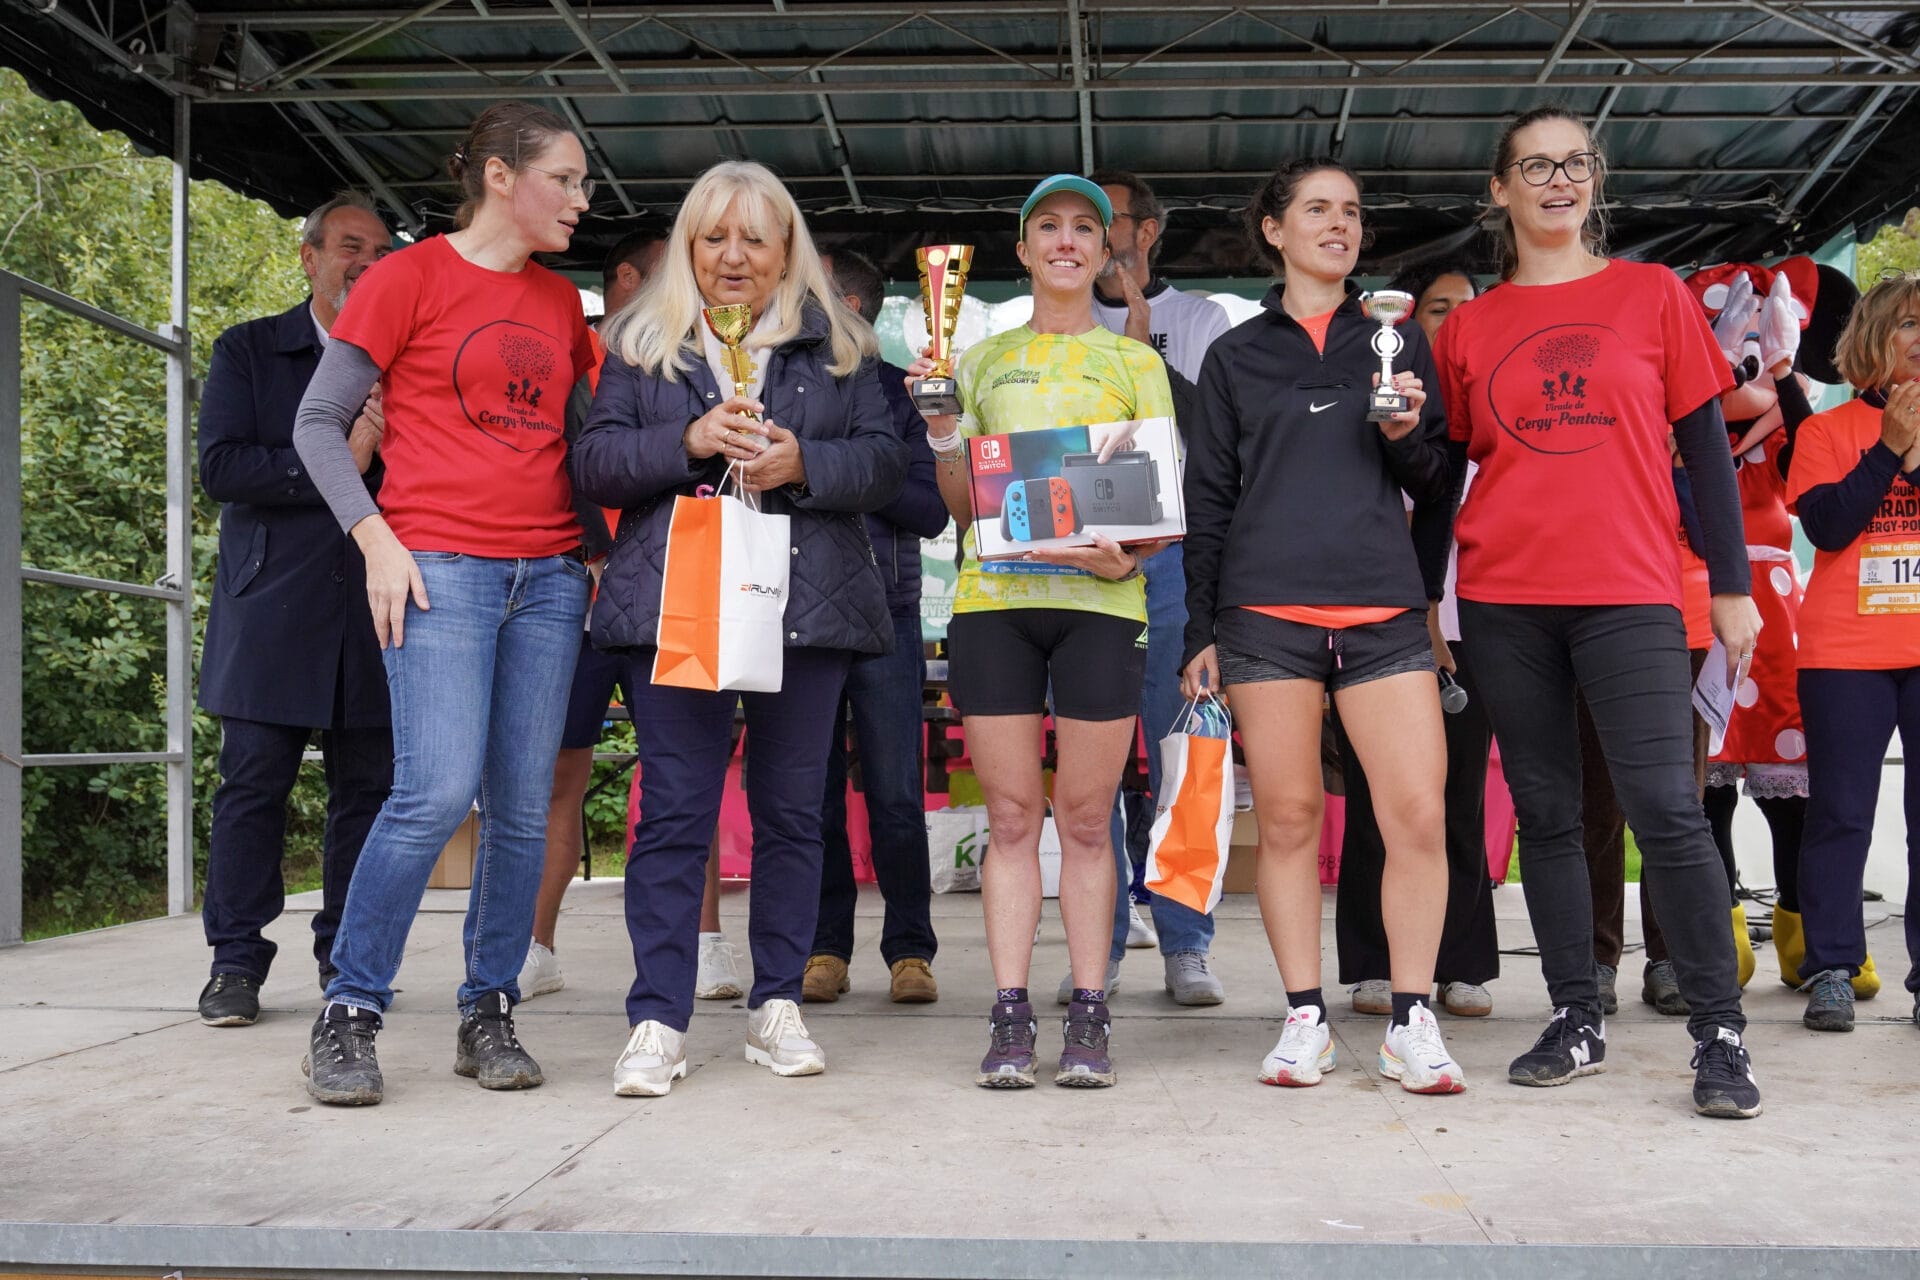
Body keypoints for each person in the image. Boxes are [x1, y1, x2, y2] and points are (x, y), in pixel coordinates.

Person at [1431, 105, 1764, 1118]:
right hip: (1503, 600)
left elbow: (1705, 449)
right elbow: (1443, 476)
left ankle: (1720, 1032)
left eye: (1575, 163)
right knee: (1547, 814)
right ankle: (1577, 1014)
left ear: (1595, 180)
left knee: (1666, 808)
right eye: (1535, 166)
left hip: (1631, 590)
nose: (1559, 181)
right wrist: (1421, 598)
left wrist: (1733, 585)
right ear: (1500, 190)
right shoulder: (1469, 327)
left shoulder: (1653, 294)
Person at [574, 160, 906, 1096]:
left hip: (807, 607)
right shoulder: (642, 343)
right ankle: (656, 1019)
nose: (732, 256)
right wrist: (686, 442)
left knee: (794, 814)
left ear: (787, 248)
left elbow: (886, 466)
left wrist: (805, 464)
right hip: (678, 599)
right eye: (713, 236)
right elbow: (593, 464)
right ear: (687, 246)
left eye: (754, 238)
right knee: (675, 813)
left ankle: (777, 1004)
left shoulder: (842, 345)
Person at [290, 102, 599, 1106]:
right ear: (503, 177)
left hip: (548, 576)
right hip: (439, 569)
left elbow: (587, 436)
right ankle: (350, 1009)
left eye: (584, 183)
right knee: (431, 793)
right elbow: (318, 423)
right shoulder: (406, 277)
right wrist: (375, 536)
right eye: (566, 179)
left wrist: (596, 549)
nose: (581, 200)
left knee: (520, 806)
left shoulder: (561, 301)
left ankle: (489, 1009)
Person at [1180, 158, 1464, 1095]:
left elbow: (1439, 481)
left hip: (1383, 612)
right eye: (1317, 210)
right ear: (1274, 229)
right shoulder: (1235, 356)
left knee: (1416, 814)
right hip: (1264, 617)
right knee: (1290, 817)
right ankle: (1305, 1015)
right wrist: (1198, 630)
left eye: (1351, 212)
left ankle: (1412, 1020)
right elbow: (1209, 500)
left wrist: (1405, 440)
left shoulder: (1396, 336)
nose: (1339, 225)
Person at [909, 174, 1173, 1090]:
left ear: (1105, 252)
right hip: (995, 607)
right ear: (1022, 251)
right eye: (1049, 227)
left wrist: (1129, 560)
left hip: (1102, 608)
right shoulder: (980, 361)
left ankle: (1090, 1010)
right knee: (1015, 817)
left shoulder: (1134, 361)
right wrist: (944, 432)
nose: (1067, 241)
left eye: (1084, 229)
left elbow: (1157, 503)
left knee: (1090, 819)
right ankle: (1012, 1011)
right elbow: (963, 512)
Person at [516, 229, 749, 1005]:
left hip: (676, 589)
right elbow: (558, 461)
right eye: (669, 273)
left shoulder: (707, 350)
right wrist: (586, 551)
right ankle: (535, 947)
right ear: (624, 278)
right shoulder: (566, 353)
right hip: (574, 596)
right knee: (559, 775)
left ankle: (706, 943)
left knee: (686, 773)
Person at [194, 191, 394, 1027]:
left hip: (375, 605)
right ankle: (234, 963)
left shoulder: (403, 358)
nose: (366, 265)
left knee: (368, 792)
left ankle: (345, 959)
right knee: (253, 786)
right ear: (309, 258)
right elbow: (222, 468)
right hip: (271, 606)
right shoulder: (248, 348)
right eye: (351, 247)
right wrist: (337, 459)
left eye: (380, 253)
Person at [1333, 259, 1500, 1022]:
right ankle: (1374, 961)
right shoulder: (1372, 399)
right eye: (1438, 307)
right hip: (1374, 626)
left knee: (1456, 800)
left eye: (1468, 307)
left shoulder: (1491, 415)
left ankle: (1461, 962)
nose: (1455, 320)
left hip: (1470, 629)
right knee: (1379, 800)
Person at [1087, 168, 1233, 1007]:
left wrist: (1145, 350)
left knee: (1184, 753)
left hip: (1174, 558)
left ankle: (1186, 942)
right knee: (1094, 766)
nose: (1091, 234)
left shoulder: (1201, 319)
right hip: (1086, 558)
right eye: (1076, 220)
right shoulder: (1056, 320)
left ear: (1147, 231)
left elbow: (1217, 436)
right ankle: (1099, 945)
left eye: (1107, 219)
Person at [800, 248, 945, 1006]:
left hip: (886, 614)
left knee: (895, 794)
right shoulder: (780, 382)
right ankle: (825, 947)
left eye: (809, 291)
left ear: (850, 308)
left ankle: (910, 949)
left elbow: (930, 509)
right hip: (800, 615)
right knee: (812, 794)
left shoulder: (901, 393)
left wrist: (842, 466)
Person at [1787, 271, 1920, 1033]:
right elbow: (1829, 528)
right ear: (1873, 336)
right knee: (1840, 814)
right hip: (1844, 654)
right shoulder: (1824, 432)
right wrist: (1889, 451)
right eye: (1908, 323)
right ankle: (1832, 968)